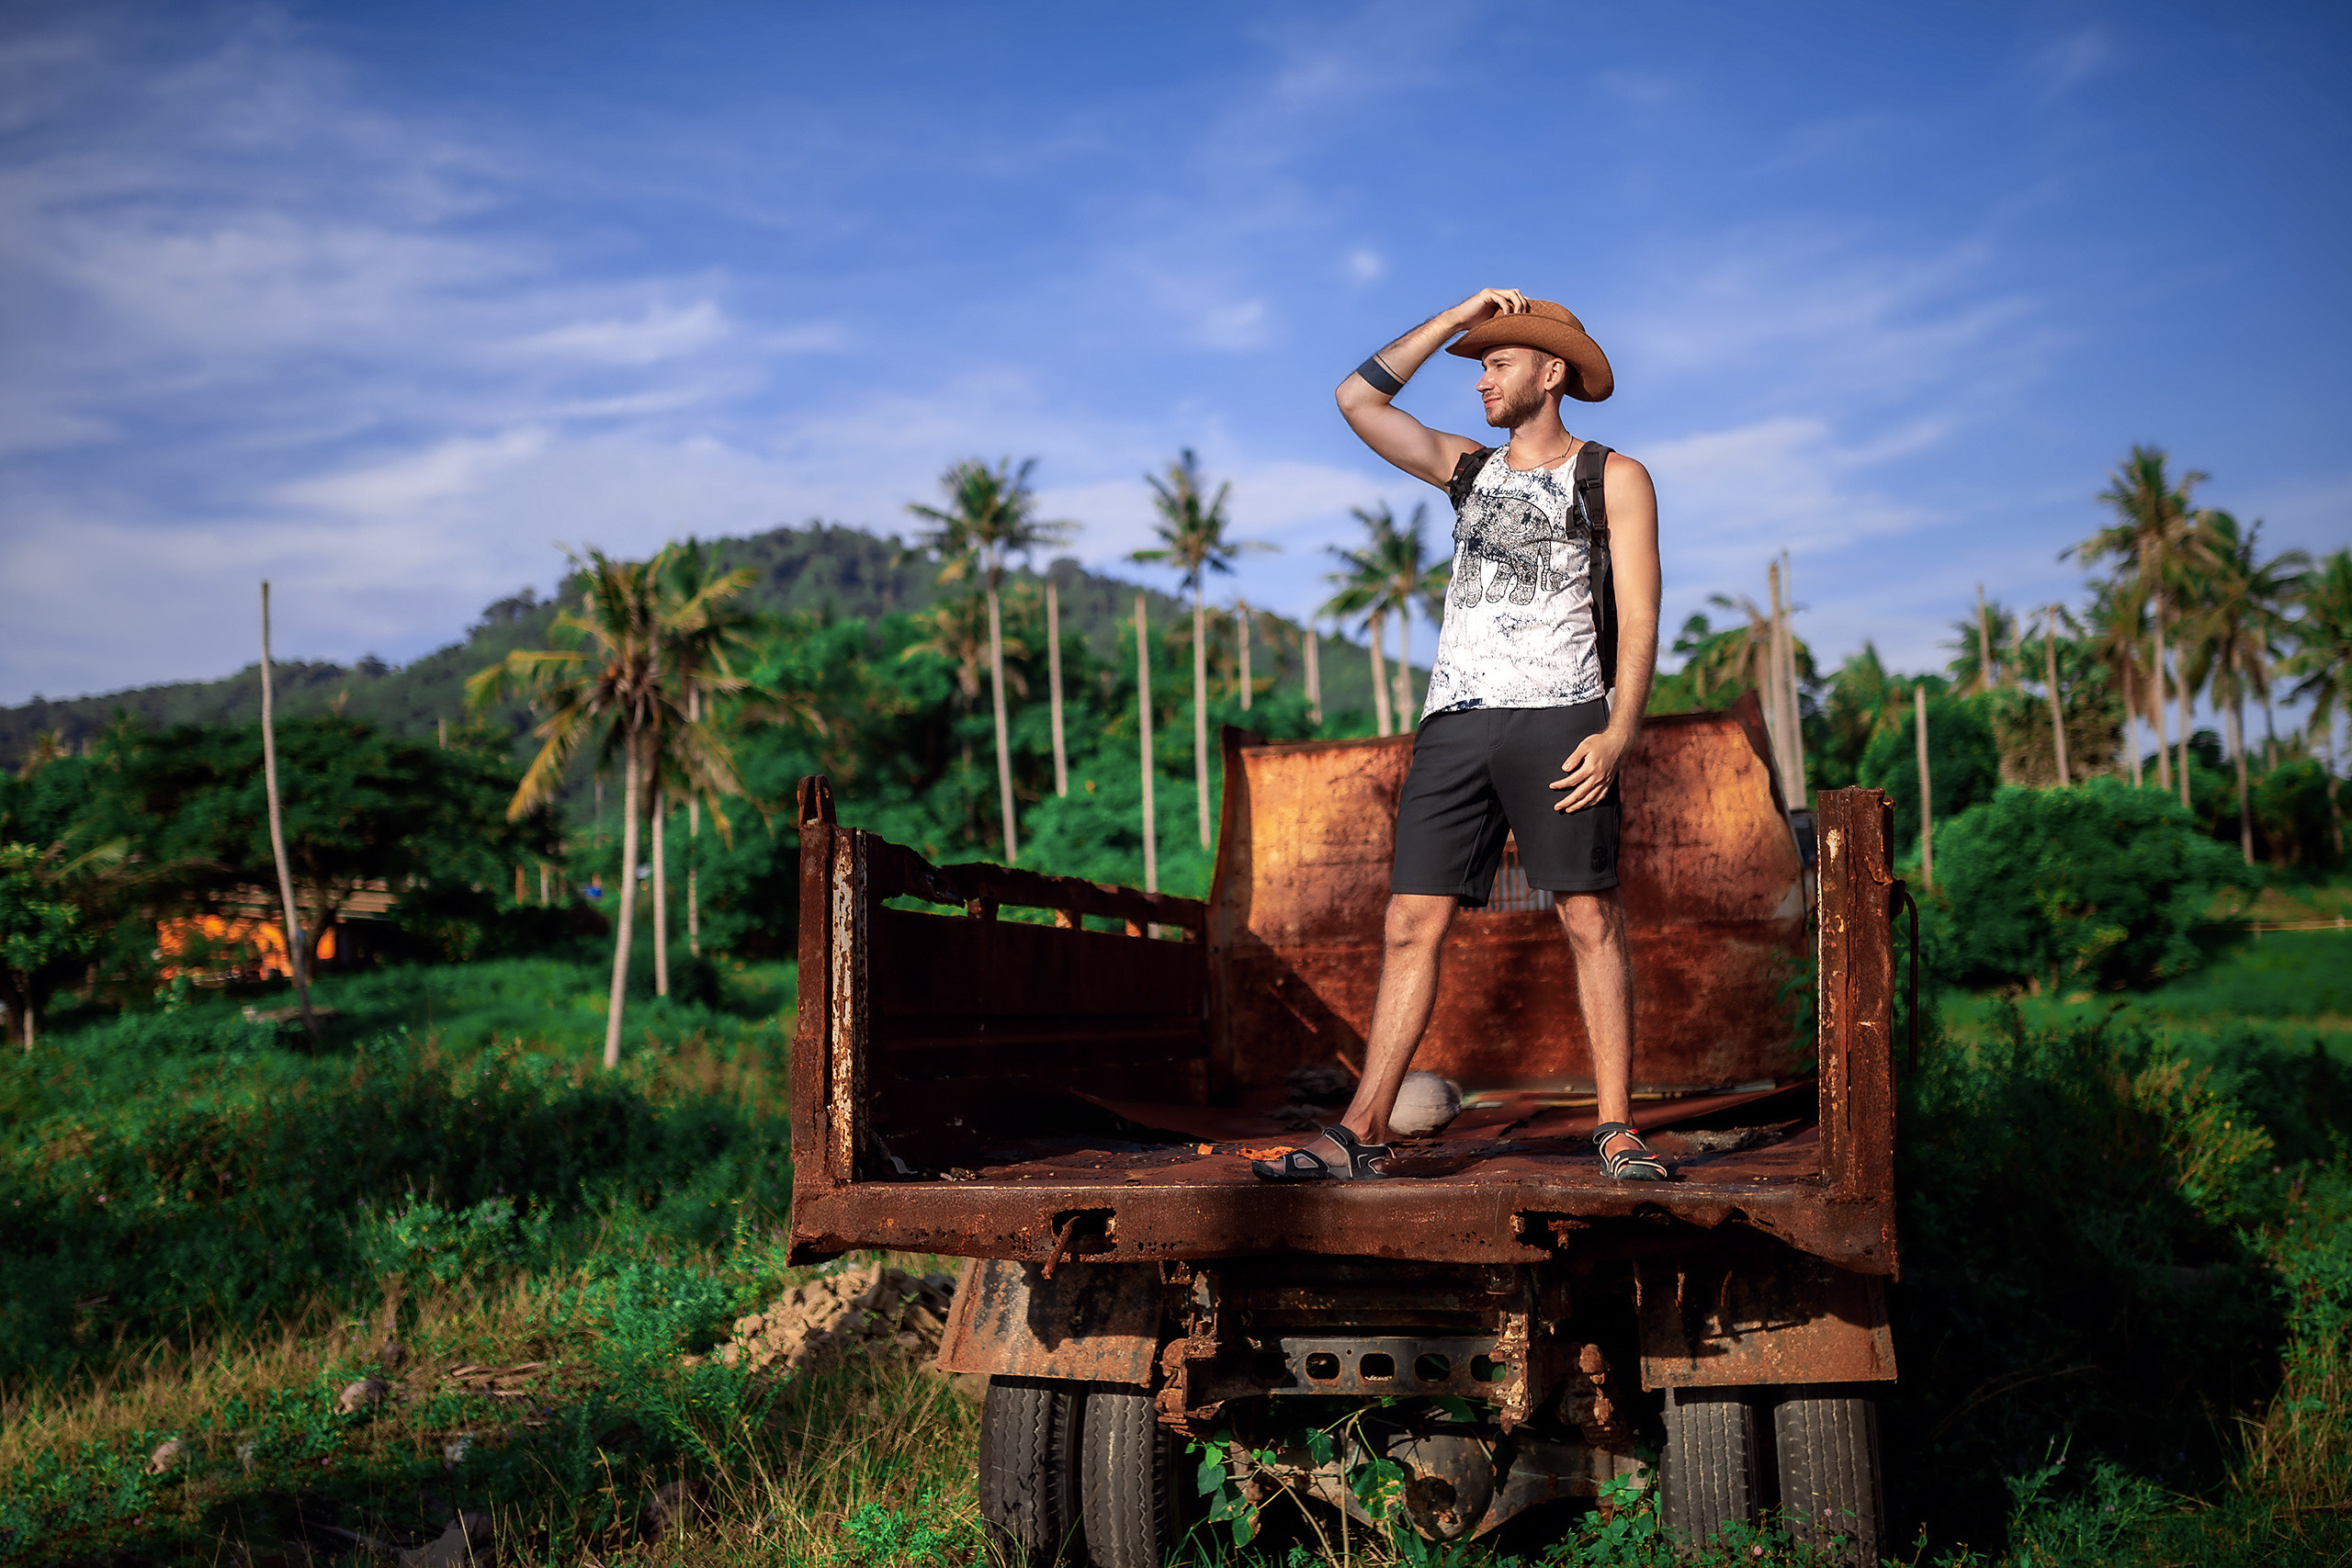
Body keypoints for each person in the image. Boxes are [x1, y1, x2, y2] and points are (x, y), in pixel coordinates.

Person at [1253, 288, 1666, 1183]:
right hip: (1455, 722)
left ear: (1549, 373)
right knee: (1410, 922)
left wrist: (1617, 732)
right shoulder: (1466, 470)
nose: (1480, 379)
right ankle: (1360, 1130)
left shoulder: (1613, 476)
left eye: (1498, 362)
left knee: (1588, 915)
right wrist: (1453, 316)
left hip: (1563, 716)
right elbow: (1356, 401)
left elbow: (1638, 617)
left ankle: (1617, 1128)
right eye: (1478, 362)